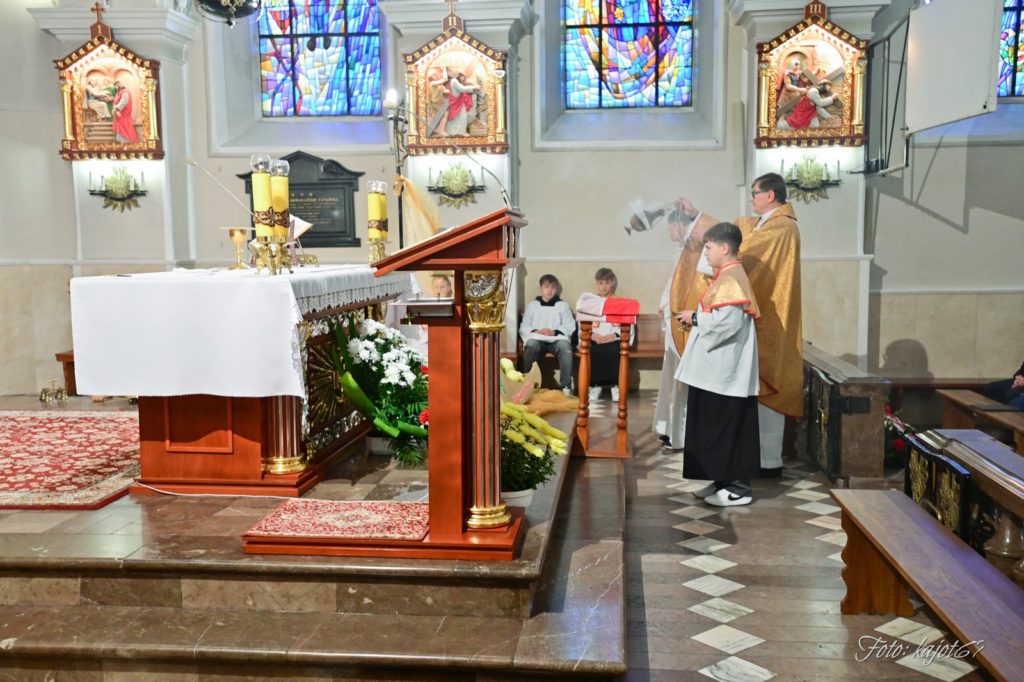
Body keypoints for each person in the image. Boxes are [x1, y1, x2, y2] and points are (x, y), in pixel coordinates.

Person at [677, 172, 803, 477]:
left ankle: (767, 461)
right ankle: (747, 463)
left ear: (770, 195)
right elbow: (732, 234)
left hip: (771, 320)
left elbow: (737, 247)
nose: (751, 198)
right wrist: (697, 216)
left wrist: (698, 316)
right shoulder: (758, 224)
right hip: (749, 315)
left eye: (755, 193)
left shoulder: (783, 228)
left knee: (767, 387)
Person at [674, 222, 761, 506]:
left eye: (709, 247)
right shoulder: (726, 276)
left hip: (726, 370)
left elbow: (728, 324)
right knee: (712, 425)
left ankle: (738, 488)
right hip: (716, 369)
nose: (706, 253)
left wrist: (694, 318)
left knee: (727, 426)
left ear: (724, 248)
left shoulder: (732, 278)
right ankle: (720, 479)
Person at [654, 217, 709, 450]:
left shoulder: (696, 253)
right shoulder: (679, 253)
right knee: (672, 378)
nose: (669, 229)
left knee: (683, 380)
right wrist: (663, 303)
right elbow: (672, 284)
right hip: (672, 322)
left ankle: (681, 434)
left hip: (684, 323)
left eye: (672, 224)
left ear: (685, 226)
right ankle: (669, 428)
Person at [520, 274, 576, 396]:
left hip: (557, 338)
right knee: (531, 345)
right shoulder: (532, 306)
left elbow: (570, 326)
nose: (549, 290)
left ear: (556, 289)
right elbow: (524, 327)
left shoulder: (563, 306)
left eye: (553, 287)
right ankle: (529, 384)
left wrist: (554, 332)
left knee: (565, 347)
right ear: (541, 288)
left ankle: (566, 385)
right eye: (546, 287)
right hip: (537, 338)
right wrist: (536, 331)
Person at [583, 268, 633, 403]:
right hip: (596, 338)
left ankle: (615, 386)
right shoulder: (590, 303)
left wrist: (615, 335)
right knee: (592, 349)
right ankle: (595, 386)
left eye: (607, 283)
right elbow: (583, 322)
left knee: (616, 349)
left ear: (612, 283)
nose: (604, 286)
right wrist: (592, 335)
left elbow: (628, 324)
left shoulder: (620, 303)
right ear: (596, 284)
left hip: (613, 338)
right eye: (601, 283)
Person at [445, 71, 480, 137]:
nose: (463, 78)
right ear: (458, 75)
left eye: (464, 77)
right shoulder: (454, 81)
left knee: (459, 117)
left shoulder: (454, 81)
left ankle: (455, 131)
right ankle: (460, 132)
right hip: (456, 102)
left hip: (458, 101)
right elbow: (462, 89)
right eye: (462, 76)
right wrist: (473, 87)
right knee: (461, 116)